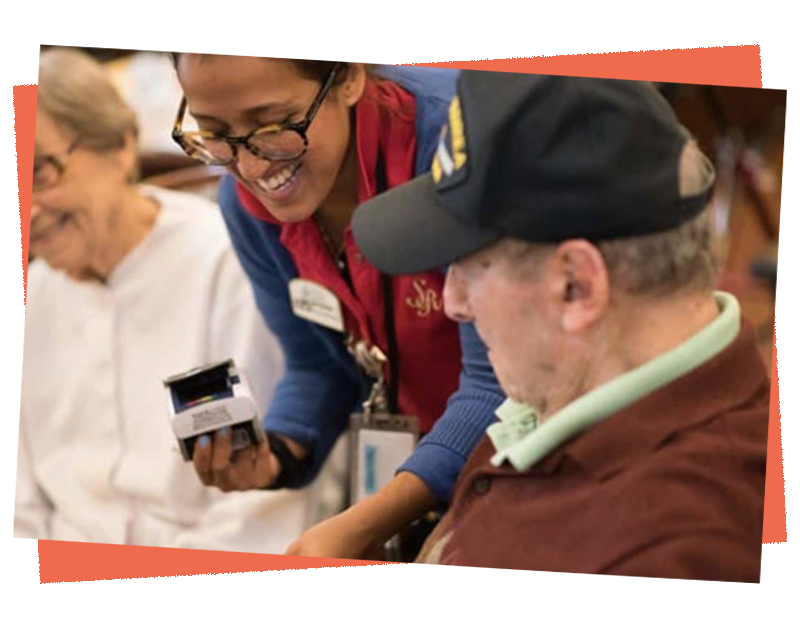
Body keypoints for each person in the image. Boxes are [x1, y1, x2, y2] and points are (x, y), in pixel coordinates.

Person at [353, 72, 788, 583]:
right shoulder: (575, 393)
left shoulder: (664, 559)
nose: (452, 302)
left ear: (575, 285)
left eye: (468, 264)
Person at [170, 44, 504, 564]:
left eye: (274, 123)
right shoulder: (247, 206)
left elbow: (500, 382)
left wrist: (366, 522)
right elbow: (317, 363)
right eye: (214, 132)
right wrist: (277, 452)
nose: (250, 165)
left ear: (348, 74)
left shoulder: (457, 149)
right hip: (420, 477)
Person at [12, 47, 318, 584]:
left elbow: (259, 515)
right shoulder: (27, 302)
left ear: (120, 144)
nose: (21, 211)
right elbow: (14, 507)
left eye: (38, 171)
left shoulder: (226, 268)